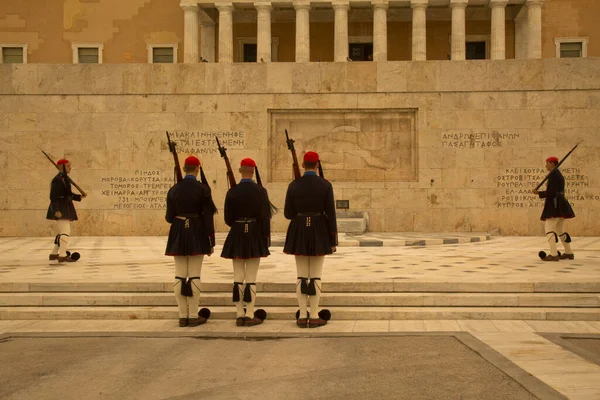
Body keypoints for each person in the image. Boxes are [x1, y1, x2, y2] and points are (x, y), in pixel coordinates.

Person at [283, 151, 337, 328]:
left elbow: (288, 214)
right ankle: (314, 315)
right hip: (319, 229)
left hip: (299, 228)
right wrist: (333, 239)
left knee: (301, 275)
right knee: (315, 275)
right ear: (317, 165)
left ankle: (302, 315)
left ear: (303, 165)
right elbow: (331, 214)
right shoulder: (325, 185)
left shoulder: (293, 185)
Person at [165, 156, 216, 327]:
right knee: (194, 274)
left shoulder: (173, 189)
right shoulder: (203, 189)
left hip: (178, 230)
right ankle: (193, 315)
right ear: (197, 169)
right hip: (196, 230)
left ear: (184, 168)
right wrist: (210, 241)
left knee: (179, 275)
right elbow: (208, 218)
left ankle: (182, 315)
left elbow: (168, 217)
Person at [221, 158, 272, 327]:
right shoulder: (260, 191)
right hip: (255, 232)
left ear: (240, 170)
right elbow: (265, 217)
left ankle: (239, 314)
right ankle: (249, 314)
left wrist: (237, 226)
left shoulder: (232, 191)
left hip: (236, 231)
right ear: (253, 170)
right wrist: (265, 237)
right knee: (251, 277)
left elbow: (228, 218)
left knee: (237, 277)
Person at [533, 156, 576, 261]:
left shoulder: (554, 175)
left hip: (555, 205)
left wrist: (539, 193)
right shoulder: (557, 174)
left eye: (547, 163)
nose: (546, 165)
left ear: (552, 163)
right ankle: (568, 252)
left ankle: (553, 254)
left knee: (549, 229)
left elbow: (551, 193)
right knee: (560, 230)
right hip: (560, 204)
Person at [46, 159, 86, 262]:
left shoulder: (64, 179)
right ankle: (62, 255)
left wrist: (79, 197)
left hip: (65, 206)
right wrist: (56, 210)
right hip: (61, 207)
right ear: (61, 167)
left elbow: (68, 194)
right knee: (65, 231)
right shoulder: (58, 180)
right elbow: (53, 196)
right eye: (68, 166)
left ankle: (54, 253)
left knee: (62, 231)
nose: (70, 168)